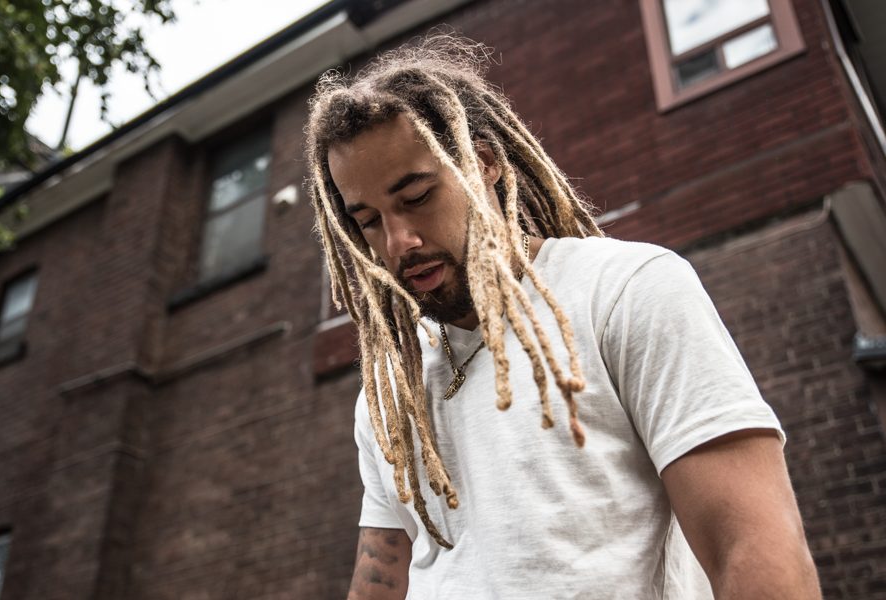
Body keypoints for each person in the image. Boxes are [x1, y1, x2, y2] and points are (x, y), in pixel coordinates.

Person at [304, 34, 820, 599]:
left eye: (417, 197)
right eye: (368, 220)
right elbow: (381, 578)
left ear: (483, 164)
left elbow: (751, 544)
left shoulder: (624, 290)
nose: (398, 241)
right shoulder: (389, 390)